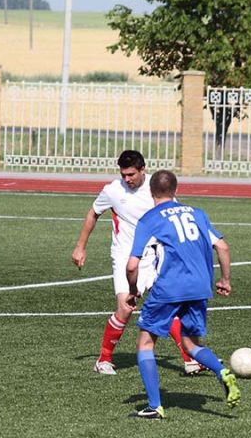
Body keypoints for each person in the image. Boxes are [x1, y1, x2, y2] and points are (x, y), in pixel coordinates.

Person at [72, 150, 205, 376]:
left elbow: (172, 216)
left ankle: (190, 359)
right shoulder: (112, 191)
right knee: (125, 309)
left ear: (143, 169)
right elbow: (93, 214)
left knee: (169, 305)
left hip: (156, 255)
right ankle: (104, 360)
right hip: (125, 255)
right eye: (123, 174)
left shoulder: (157, 188)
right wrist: (80, 246)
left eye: (131, 174)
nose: (127, 179)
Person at [124, 169, 240, 419]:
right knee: (190, 343)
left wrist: (133, 291)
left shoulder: (149, 219)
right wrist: (225, 280)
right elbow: (222, 246)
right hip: (200, 287)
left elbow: (132, 265)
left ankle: (155, 406)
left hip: (170, 287)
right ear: (176, 190)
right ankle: (221, 371)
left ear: (151, 192)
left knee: (145, 343)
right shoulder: (198, 213)